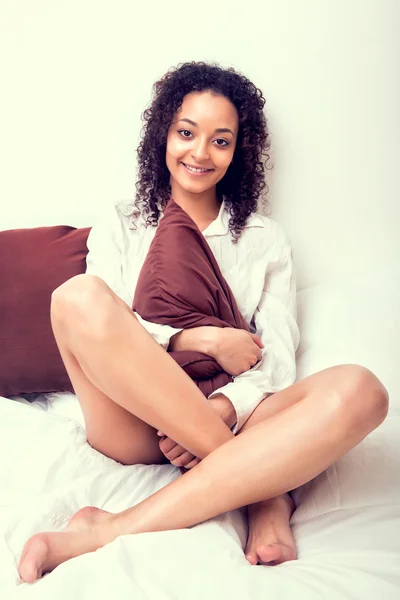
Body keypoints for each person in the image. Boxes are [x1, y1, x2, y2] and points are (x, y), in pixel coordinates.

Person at [17, 61, 389, 583]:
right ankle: (266, 493)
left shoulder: (265, 240)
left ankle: (110, 528)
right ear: (163, 135)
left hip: (234, 417)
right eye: (186, 133)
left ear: (239, 152)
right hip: (136, 423)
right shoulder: (123, 223)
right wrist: (202, 340)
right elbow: (109, 330)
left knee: (362, 390)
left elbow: (278, 359)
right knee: (76, 297)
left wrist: (220, 407)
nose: (199, 153)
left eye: (221, 140)